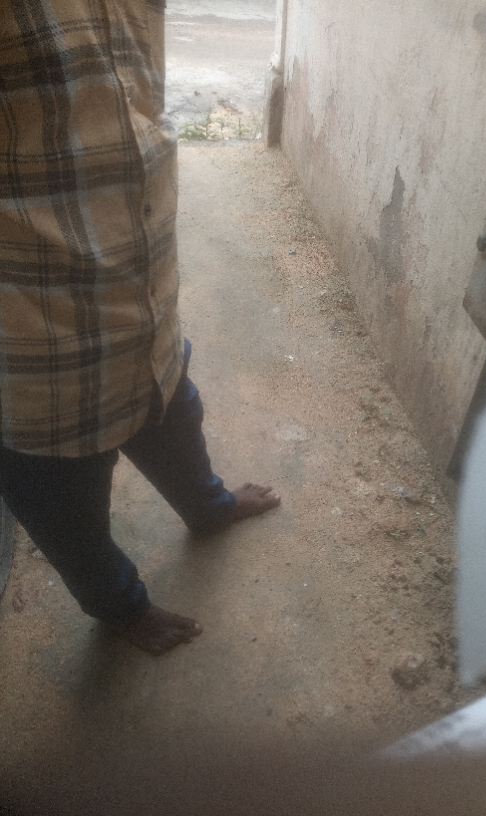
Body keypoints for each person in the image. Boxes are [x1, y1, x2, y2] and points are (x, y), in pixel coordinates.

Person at [0, 1, 280, 655]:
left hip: (146, 310)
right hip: (40, 343)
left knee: (177, 417)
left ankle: (207, 508)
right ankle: (121, 609)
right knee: (66, 508)